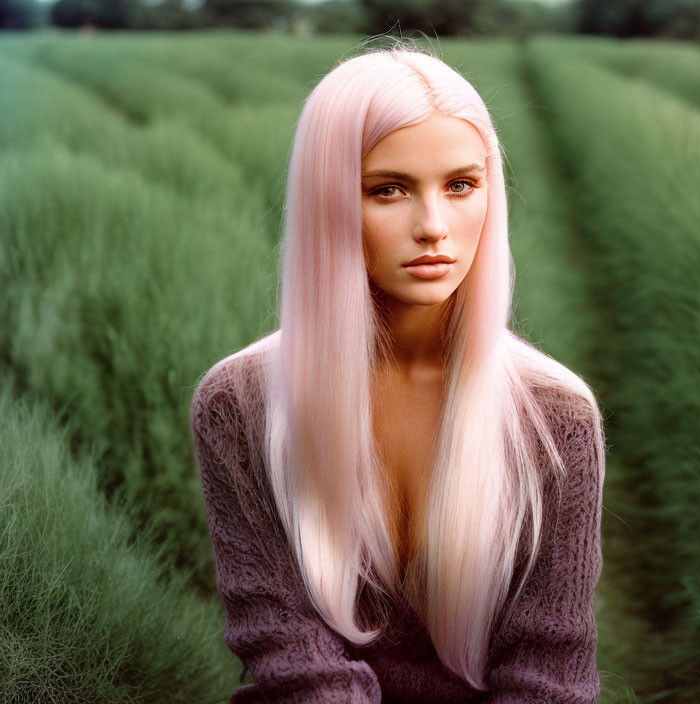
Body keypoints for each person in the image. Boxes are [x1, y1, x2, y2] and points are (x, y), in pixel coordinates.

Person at [190, 39, 606, 704]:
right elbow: (292, 659)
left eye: (462, 185)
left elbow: (549, 673)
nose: (435, 226)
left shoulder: (557, 415)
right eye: (389, 190)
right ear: (327, 203)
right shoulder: (240, 404)